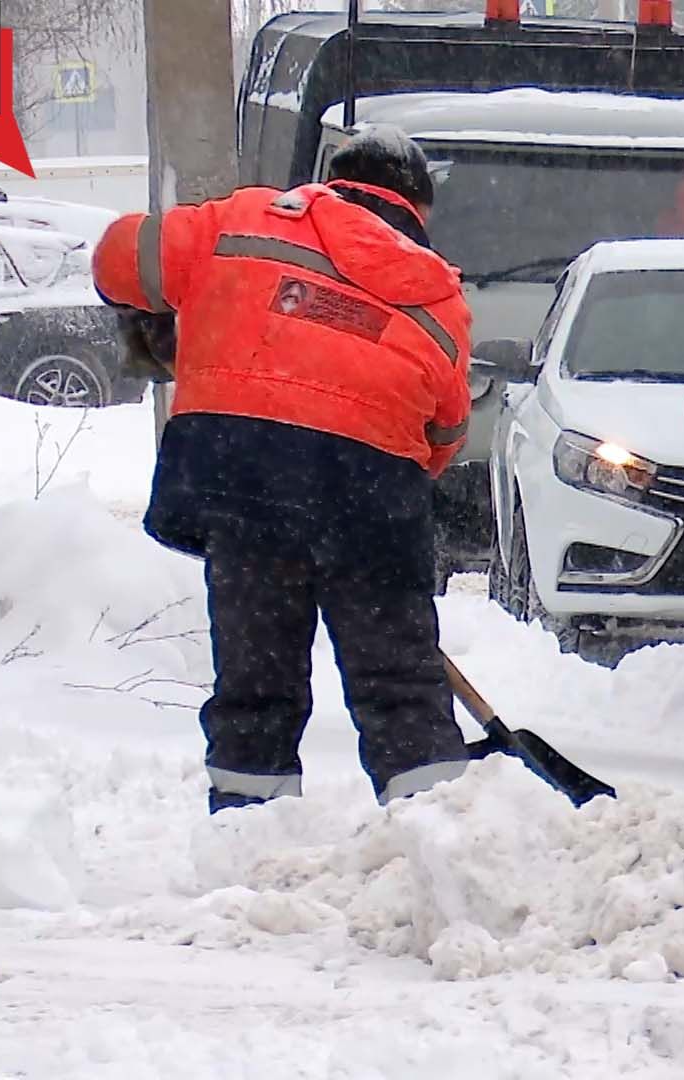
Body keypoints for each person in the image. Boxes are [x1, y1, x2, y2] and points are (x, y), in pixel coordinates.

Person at [92, 128, 475, 813]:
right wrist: (374, 511)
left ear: (333, 179)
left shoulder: (244, 220)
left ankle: (249, 828)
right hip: (372, 487)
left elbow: (118, 256)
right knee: (398, 681)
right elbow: (442, 434)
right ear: (416, 210)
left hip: (245, 475)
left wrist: (162, 316)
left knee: (256, 672)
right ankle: (439, 827)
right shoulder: (438, 294)